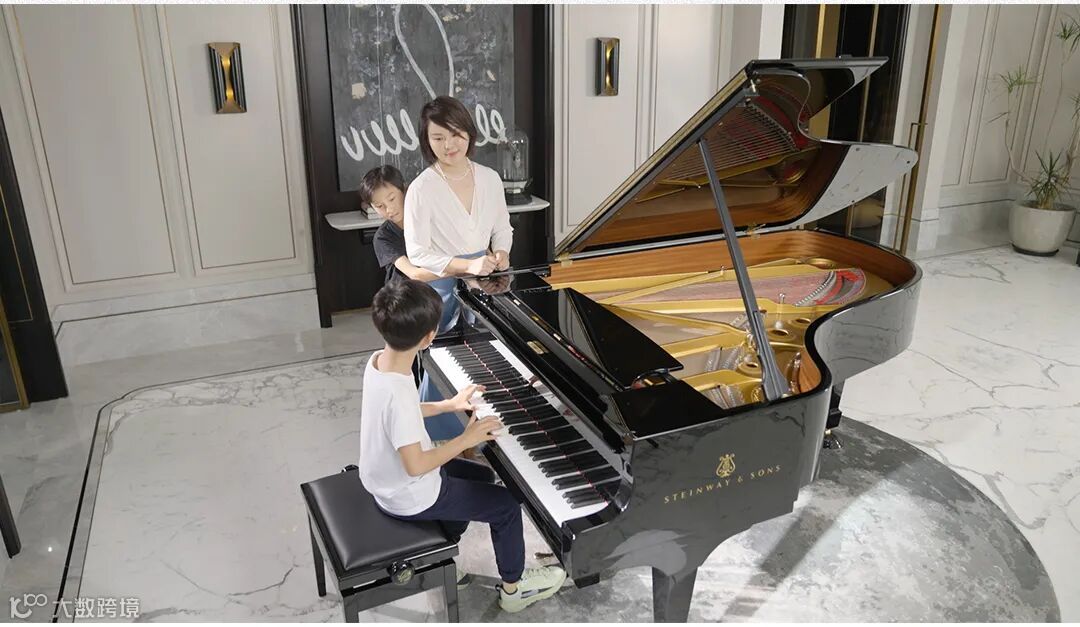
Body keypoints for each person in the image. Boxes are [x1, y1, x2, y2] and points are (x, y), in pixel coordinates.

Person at [359, 279, 567, 613]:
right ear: (429, 338)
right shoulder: (397, 393)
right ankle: (514, 590)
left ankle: (443, 555)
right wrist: (466, 440)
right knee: (506, 506)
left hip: (385, 480)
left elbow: (403, 411)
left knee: (482, 477)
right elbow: (416, 464)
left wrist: (448, 405)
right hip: (407, 493)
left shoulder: (380, 363)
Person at [404, 95, 514, 442]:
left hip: (487, 283)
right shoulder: (421, 188)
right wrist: (467, 265)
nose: (448, 145)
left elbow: (503, 228)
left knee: (493, 359)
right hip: (443, 291)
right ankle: (448, 442)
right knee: (446, 365)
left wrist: (502, 253)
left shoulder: (490, 178)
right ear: (427, 141)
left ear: (469, 133)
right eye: (438, 137)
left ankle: (497, 432)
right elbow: (417, 252)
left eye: (455, 134)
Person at [358, 165, 441, 286]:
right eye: (380, 206)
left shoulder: (429, 217)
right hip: (405, 292)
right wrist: (459, 269)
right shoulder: (383, 237)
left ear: (404, 190)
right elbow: (415, 274)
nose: (389, 209)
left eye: (392, 199)